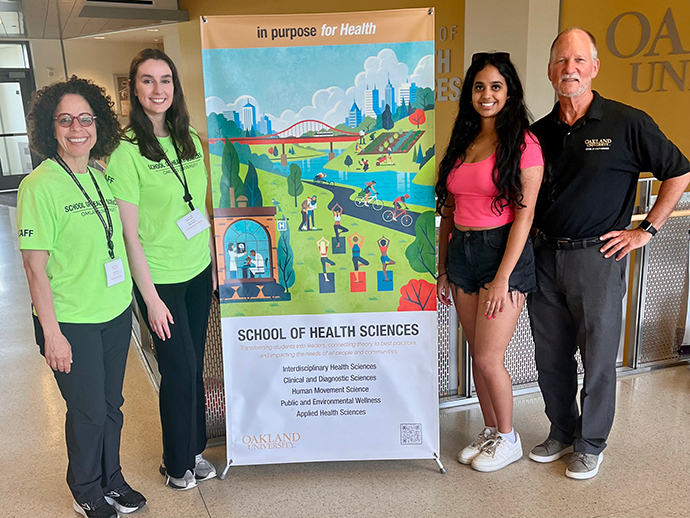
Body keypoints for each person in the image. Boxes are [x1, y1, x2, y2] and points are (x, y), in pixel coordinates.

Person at [527, 28, 690, 479]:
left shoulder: (626, 122)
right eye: (561, 61)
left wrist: (647, 229)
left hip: (598, 259)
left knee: (597, 357)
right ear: (549, 71)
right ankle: (562, 432)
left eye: (579, 60)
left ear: (594, 68)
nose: (570, 69)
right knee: (551, 355)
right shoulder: (537, 133)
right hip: (544, 257)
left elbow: (679, 173)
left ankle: (591, 442)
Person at [17, 77, 146, 518]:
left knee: (112, 406)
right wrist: (52, 335)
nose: (77, 128)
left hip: (112, 313)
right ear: (49, 127)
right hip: (70, 319)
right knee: (88, 410)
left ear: (99, 124)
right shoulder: (39, 185)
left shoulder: (99, 175)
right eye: (65, 120)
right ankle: (86, 488)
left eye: (86, 119)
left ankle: (113, 479)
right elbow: (34, 268)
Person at [106, 48, 218, 491]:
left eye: (165, 80)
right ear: (134, 89)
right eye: (148, 81)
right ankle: (176, 466)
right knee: (179, 367)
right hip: (160, 279)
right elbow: (129, 235)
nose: (158, 89)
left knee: (193, 369)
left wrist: (211, 260)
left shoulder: (187, 137)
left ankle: (192, 452)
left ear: (175, 86)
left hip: (196, 270)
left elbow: (202, 206)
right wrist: (149, 298)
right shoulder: (125, 152)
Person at [435, 52, 544, 472]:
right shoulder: (464, 141)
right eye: (479, 86)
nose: (486, 95)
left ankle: (509, 437)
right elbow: (449, 209)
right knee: (475, 350)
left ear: (510, 92)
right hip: (463, 251)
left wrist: (503, 279)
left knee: (487, 358)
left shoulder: (524, 144)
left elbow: (525, 215)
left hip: (504, 254)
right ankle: (491, 429)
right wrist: (444, 266)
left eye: (496, 86)